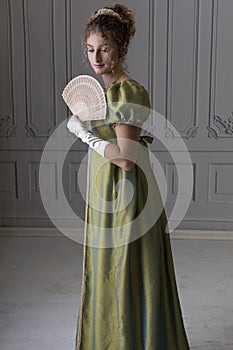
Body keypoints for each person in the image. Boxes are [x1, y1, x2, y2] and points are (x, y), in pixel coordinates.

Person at [67, 4, 190, 350]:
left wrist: (82, 133)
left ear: (120, 48)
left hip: (126, 194)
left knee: (126, 270)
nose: (97, 57)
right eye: (91, 49)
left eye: (105, 48)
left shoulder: (127, 92)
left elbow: (125, 160)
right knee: (108, 268)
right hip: (103, 188)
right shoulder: (103, 92)